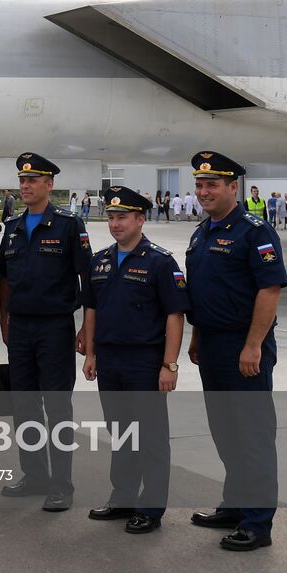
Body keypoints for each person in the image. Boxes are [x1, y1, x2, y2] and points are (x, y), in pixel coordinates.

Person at [184, 151, 287, 551]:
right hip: (210, 343)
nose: (204, 191)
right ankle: (236, 504)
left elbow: (270, 288)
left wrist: (253, 344)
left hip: (244, 346)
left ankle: (258, 523)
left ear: (233, 186)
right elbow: (202, 291)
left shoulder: (254, 231)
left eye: (212, 184)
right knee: (225, 430)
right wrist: (195, 335)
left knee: (252, 434)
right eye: (199, 184)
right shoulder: (201, 232)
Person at [81, 186, 189, 534]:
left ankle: (151, 506)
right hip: (110, 362)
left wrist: (169, 365)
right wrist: (92, 354)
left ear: (140, 219)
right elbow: (92, 310)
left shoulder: (160, 261)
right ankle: (123, 496)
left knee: (151, 437)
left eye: (122, 217)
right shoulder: (100, 260)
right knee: (122, 433)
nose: (115, 224)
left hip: (145, 362)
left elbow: (175, 315)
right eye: (111, 217)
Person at [0, 152, 91, 512]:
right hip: (20, 327)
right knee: (24, 406)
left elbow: (87, 276)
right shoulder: (14, 226)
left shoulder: (69, 225)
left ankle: (61, 485)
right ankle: (34, 475)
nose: (26, 185)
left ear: (49, 185)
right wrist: (3, 319)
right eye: (22, 180)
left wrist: (86, 325)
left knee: (56, 406)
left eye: (33, 180)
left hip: (55, 326)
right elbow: (4, 277)